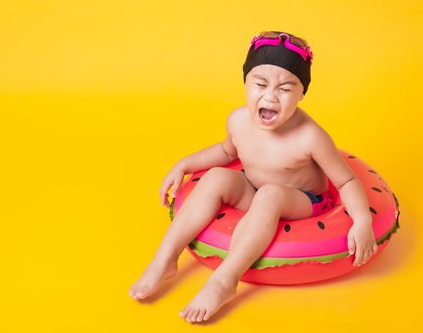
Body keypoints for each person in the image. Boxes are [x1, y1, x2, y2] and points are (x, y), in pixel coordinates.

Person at [129, 31, 378, 323]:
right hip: (254, 186)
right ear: (246, 83)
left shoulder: (311, 137)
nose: (270, 95)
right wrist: (184, 165)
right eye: (260, 84)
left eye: (286, 89)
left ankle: (225, 280)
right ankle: (166, 258)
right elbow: (225, 151)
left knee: (270, 194)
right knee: (216, 177)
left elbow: (346, 182)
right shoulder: (238, 120)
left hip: (303, 200)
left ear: (302, 94)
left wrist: (363, 221)